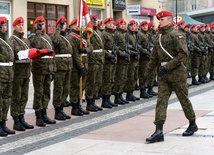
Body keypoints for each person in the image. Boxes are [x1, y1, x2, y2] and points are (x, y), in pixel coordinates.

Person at [145, 11, 198, 143]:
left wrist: (166, 67)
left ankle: (192, 123)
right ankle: (159, 131)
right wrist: (147, 74)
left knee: (183, 99)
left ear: (169, 21)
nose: (160, 22)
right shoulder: (158, 37)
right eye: (159, 20)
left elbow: (182, 54)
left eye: (162, 20)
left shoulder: (176, 35)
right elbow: (153, 58)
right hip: (163, 75)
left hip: (177, 74)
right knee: (161, 101)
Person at [28, 16, 56, 127]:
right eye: (40, 24)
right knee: (39, 93)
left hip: (48, 68)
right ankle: (38, 116)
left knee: (46, 93)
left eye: (43, 23)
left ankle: (44, 113)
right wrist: (38, 31)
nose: (42, 25)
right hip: (39, 69)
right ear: (35, 25)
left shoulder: (48, 38)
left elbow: (52, 54)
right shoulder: (33, 37)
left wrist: (53, 69)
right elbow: (37, 44)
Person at [9, 17, 34, 131]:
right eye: (19, 25)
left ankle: (21, 117)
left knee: (24, 97)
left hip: (26, 72)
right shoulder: (12, 40)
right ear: (14, 26)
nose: (21, 27)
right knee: (16, 97)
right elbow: (13, 56)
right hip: (17, 73)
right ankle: (16, 120)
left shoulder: (26, 40)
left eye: (22, 25)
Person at [51, 16, 72, 120]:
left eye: (64, 24)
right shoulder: (56, 35)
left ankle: (61, 109)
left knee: (65, 89)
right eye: (62, 24)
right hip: (60, 67)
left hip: (68, 67)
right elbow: (55, 41)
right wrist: (58, 29)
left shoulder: (67, 37)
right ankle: (57, 110)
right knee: (58, 89)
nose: (64, 26)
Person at [68, 18, 90, 115]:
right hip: (76, 65)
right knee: (75, 86)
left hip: (84, 63)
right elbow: (75, 54)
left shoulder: (82, 37)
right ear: (71, 26)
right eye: (76, 24)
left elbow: (91, 46)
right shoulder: (71, 37)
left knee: (82, 85)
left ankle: (79, 104)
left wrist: (85, 50)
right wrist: (80, 66)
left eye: (79, 24)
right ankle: (74, 106)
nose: (78, 26)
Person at [85, 14, 104, 112]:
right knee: (91, 83)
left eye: (96, 20)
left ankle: (93, 101)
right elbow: (89, 45)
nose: (96, 21)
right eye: (94, 20)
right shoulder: (89, 32)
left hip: (99, 60)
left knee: (97, 82)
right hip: (93, 61)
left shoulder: (98, 32)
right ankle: (89, 102)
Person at [0, 16, 15, 137]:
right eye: (2, 25)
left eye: (5, 25)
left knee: (7, 101)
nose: (4, 27)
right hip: (1, 74)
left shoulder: (7, 40)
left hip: (9, 74)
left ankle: (3, 123)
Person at [101, 17, 118, 108]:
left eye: (112, 23)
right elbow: (102, 48)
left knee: (111, 80)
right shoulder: (104, 34)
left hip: (112, 58)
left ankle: (108, 98)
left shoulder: (112, 34)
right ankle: (104, 100)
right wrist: (108, 55)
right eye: (109, 23)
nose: (112, 25)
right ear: (106, 24)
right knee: (106, 80)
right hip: (107, 60)